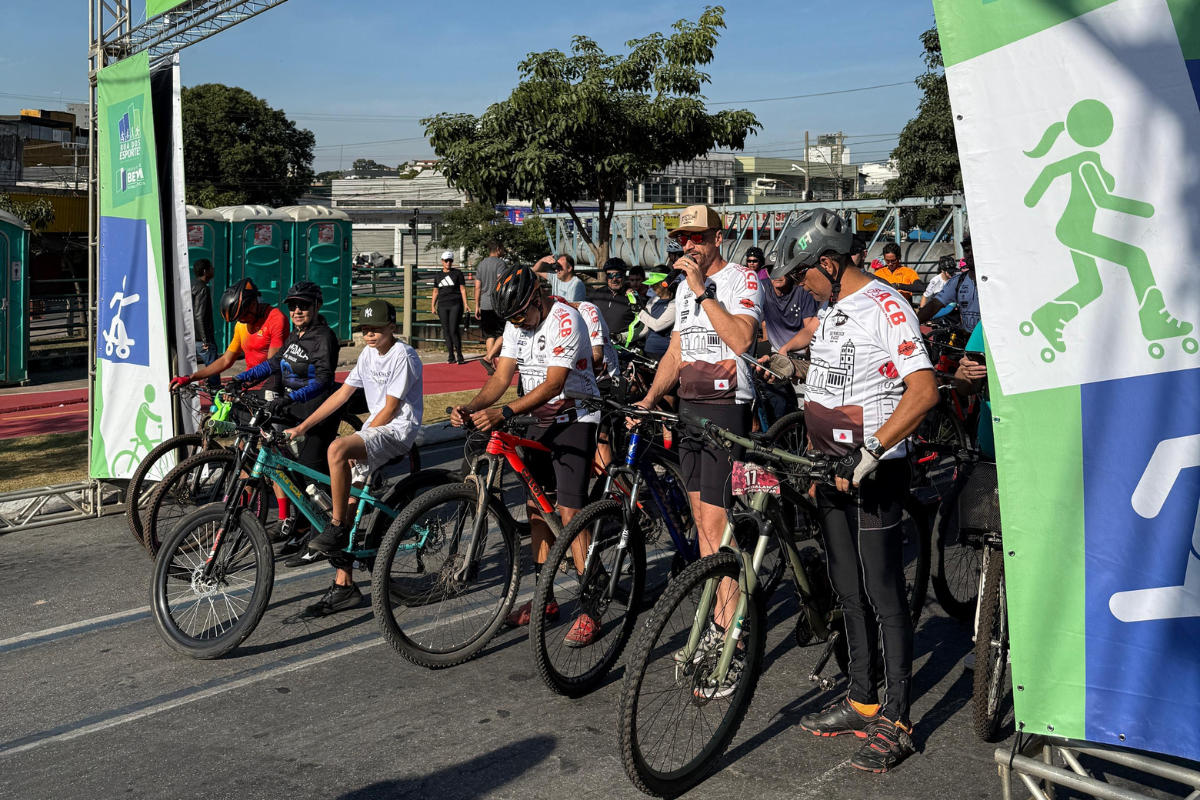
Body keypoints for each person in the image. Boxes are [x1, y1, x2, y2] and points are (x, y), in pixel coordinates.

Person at [768, 208, 937, 773]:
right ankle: (864, 698)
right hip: (829, 469)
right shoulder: (833, 310)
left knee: (884, 593)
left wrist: (871, 452)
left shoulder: (888, 306)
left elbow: (923, 391)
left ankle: (899, 715)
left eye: (805, 274)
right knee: (847, 588)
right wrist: (796, 371)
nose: (801, 286)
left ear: (831, 262)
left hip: (873, 470)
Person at [630, 204, 762, 696]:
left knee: (718, 521)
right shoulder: (685, 288)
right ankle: (719, 616)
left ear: (718, 236)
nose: (689, 246)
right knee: (701, 520)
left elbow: (743, 339)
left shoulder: (743, 281)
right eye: (684, 239)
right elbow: (677, 350)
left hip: (728, 405)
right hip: (689, 405)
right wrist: (647, 398)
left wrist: (704, 292)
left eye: (699, 238)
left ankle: (731, 632)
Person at [450, 263, 602, 644]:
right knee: (536, 509)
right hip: (535, 417)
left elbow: (554, 384)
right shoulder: (518, 322)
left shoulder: (566, 319)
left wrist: (504, 412)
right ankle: (545, 599)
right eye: (511, 317)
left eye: (521, 313)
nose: (517, 322)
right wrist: (471, 407)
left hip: (575, 416)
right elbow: (502, 378)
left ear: (538, 298)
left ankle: (590, 606)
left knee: (569, 512)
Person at [284, 299, 424, 614]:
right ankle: (344, 585)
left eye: (376, 328)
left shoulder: (404, 356)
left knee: (337, 449)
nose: (370, 334)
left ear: (392, 327)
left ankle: (333, 527)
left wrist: (356, 440)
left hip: (397, 431)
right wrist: (303, 426)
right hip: (378, 430)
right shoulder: (366, 354)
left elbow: (389, 410)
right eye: (365, 329)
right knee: (347, 505)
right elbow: (342, 394)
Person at [227, 282, 342, 558]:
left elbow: (325, 379)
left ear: (316, 306)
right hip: (291, 408)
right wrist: (240, 379)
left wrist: (291, 398)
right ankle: (303, 529)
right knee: (287, 473)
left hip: (314, 411)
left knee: (310, 476)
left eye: (303, 305)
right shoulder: (296, 336)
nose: (298, 310)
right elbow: (274, 363)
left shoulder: (323, 336)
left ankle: (324, 534)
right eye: (293, 306)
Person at [170, 277, 287, 392]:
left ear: (253, 304)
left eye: (244, 316)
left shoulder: (275, 319)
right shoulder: (241, 325)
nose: (241, 321)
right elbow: (226, 360)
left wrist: (240, 383)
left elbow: (271, 366)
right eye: (238, 319)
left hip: (270, 385)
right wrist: (191, 378)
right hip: (247, 383)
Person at [757, 269, 819, 420]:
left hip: (802, 358)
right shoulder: (762, 287)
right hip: (778, 355)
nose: (777, 275)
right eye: (772, 270)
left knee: (808, 412)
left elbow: (809, 328)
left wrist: (805, 364)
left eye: (781, 269)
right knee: (776, 407)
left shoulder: (802, 291)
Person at [918, 239, 981, 333]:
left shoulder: (996, 280)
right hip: (968, 338)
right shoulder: (958, 280)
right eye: (967, 250)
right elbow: (934, 305)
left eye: (975, 249)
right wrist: (913, 323)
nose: (970, 254)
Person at [586, 258, 640, 345]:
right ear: (606, 277)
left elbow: (641, 326)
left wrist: (620, 337)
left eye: (618, 275)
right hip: (598, 343)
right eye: (610, 275)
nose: (614, 279)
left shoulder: (633, 297)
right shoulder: (596, 294)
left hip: (622, 346)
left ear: (624, 276)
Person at [473, 242, 507, 369]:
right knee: (504, 333)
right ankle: (489, 358)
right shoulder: (500, 263)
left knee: (489, 335)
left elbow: (477, 287)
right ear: (498, 249)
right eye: (502, 249)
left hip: (485, 303)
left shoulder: (481, 264)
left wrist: (477, 305)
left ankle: (490, 362)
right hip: (497, 303)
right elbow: (500, 282)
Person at [432, 250, 468, 364]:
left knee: (453, 330)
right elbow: (435, 291)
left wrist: (466, 304)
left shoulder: (457, 273)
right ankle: (450, 355)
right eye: (446, 260)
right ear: (442, 261)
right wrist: (433, 305)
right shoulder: (438, 275)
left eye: (450, 260)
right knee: (446, 330)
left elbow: (462, 289)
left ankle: (459, 354)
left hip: (455, 304)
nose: (448, 263)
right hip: (442, 305)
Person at [635, 270, 680, 359]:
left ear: (665, 285)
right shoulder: (652, 301)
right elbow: (645, 328)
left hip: (665, 351)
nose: (651, 287)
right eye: (651, 285)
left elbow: (658, 326)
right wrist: (623, 338)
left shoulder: (675, 304)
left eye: (655, 285)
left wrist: (639, 311)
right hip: (648, 349)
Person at [190, 259, 220, 389]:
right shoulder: (202, 289)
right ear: (205, 271)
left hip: (191, 335)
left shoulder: (191, 285)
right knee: (213, 367)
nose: (213, 269)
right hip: (202, 338)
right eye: (211, 268)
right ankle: (215, 399)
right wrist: (205, 339)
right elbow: (199, 315)